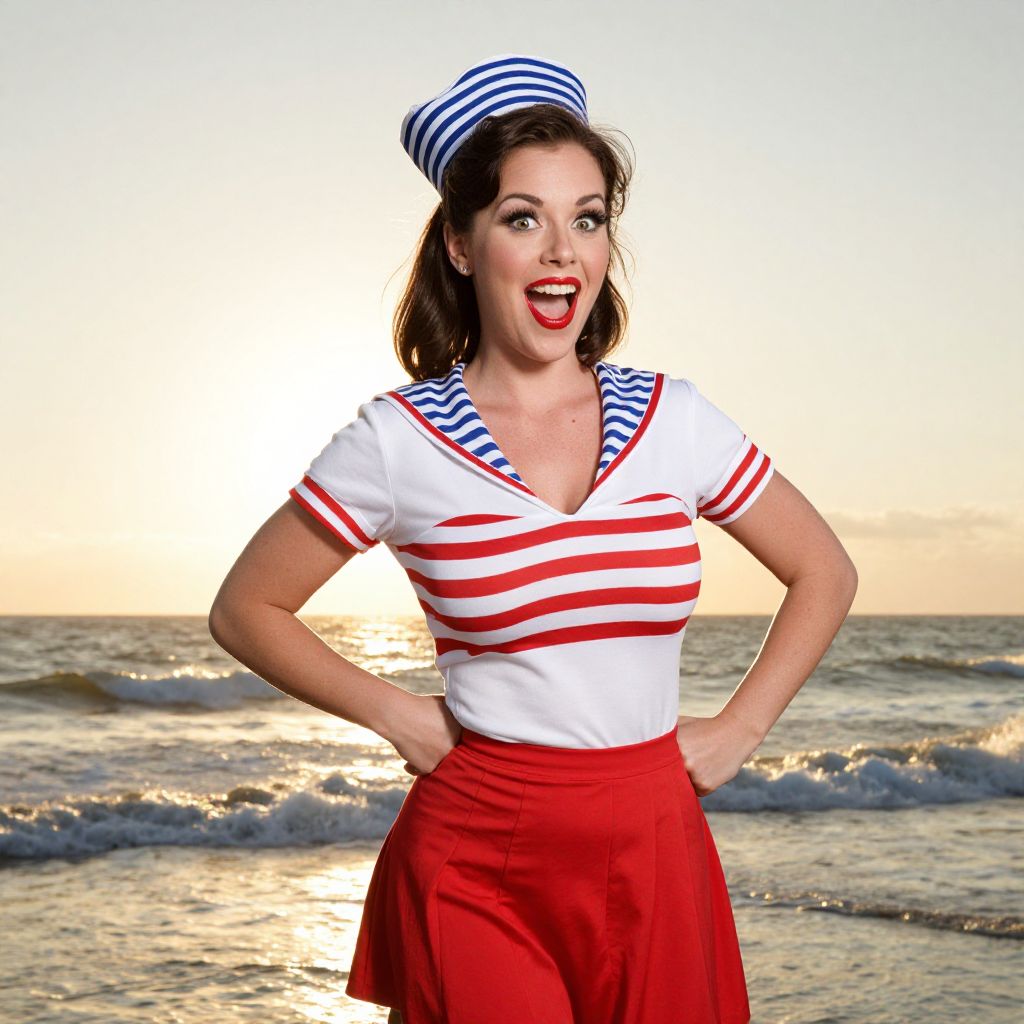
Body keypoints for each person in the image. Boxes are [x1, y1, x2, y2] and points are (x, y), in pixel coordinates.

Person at [209, 52, 858, 1024]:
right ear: (464, 247)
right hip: (479, 858)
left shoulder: (672, 418)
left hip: (657, 844)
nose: (563, 252)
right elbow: (245, 609)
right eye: (524, 218)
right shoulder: (398, 440)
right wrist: (400, 714)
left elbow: (823, 569)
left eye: (587, 218)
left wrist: (740, 728)